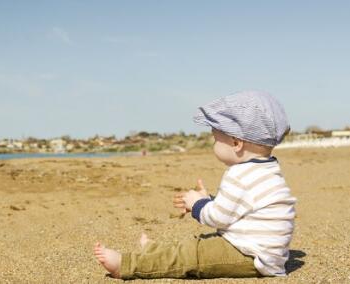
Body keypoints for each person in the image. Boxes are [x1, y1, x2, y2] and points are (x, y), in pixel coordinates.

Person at [93, 91, 296, 279]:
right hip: (267, 254)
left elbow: (218, 218)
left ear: (236, 143)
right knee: (197, 244)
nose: (213, 143)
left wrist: (197, 205)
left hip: (250, 256)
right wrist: (210, 200)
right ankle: (155, 251)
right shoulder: (267, 169)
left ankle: (127, 265)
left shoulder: (239, 175)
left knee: (192, 254)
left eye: (216, 139)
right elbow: (241, 209)